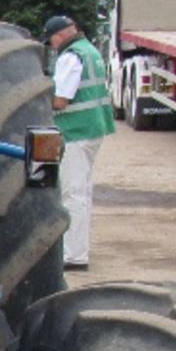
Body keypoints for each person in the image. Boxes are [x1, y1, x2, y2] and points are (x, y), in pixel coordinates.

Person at [41, 14, 116, 270]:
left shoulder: (71, 56)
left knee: (73, 194)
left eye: (50, 40)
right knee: (81, 191)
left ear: (59, 34)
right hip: (92, 129)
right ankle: (76, 251)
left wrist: (35, 99)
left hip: (75, 131)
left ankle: (73, 256)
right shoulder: (90, 50)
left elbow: (61, 100)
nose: (51, 46)